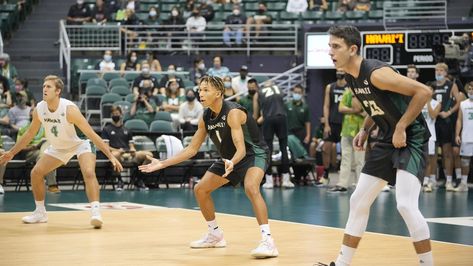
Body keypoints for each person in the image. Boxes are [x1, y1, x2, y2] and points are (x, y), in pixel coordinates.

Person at [327, 25, 433, 266]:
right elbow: (375, 105)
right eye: (329, 46)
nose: (330, 52)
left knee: (405, 204)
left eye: (336, 47)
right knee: (358, 200)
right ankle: (342, 264)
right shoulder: (351, 77)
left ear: (352, 49)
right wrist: (365, 129)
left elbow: (423, 92)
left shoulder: (376, 73)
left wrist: (401, 126)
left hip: (411, 137)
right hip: (387, 137)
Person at [139, 76, 279, 258]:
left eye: (205, 90)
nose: (200, 93)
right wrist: (162, 163)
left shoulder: (233, 112)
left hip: (254, 154)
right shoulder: (205, 117)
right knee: (200, 189)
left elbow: (242, 149)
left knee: (251, 187)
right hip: (229, 158)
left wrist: (232, 162)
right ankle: (215, 235)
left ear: (218, 93)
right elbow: (191, 149)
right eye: (200, 89)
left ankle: (268, 241)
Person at [0, 75, 123, 228]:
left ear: (57, 91)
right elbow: (30, 134)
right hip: (58, 147)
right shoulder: (39, 109)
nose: (44, 89)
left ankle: (95, 212)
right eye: (44, 86)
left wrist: (110, 155)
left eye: (48, 87)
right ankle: (40, 212)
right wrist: (11, 152)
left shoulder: (69, 110)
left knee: (89, 172)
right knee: (36, 173)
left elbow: (91, 133)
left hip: (80, 143)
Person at [102, 106, 152, 190]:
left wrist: (133, 150)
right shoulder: (106, 129)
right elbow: (106, 147)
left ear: (121, 115)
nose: (115, 115)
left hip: (128, 153)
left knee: (149, 155)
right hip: (117, 154)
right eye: (113, 114)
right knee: (115, 155)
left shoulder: (127, 130)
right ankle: (120, 180)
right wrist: (118, 150)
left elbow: (131, 145)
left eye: (117, 114)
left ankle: (138, 178)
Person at [255, 82, 295, 189]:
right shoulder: (279, 89)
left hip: (268, 119)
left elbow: (256, 114)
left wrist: (257, 121)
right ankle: (286, 180)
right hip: (282, 118)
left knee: (268, 150)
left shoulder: (258, 92)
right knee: (283, 148)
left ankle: (269, 181)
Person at [329, 82, 365, 193]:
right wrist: (355, 111)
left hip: (360, 131)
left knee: (359, 160)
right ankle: (342, 184)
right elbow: (341, 108)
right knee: (345, 158)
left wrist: (354, 99)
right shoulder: (346, 92)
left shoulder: (364, 95)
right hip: (346, 130)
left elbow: (363, 112)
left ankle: (360, 185)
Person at [431, 63, 461, 191]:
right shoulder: (431, 85)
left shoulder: (451, 85)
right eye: (437, 70)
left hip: (446, 122)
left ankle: (449, 180)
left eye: (441, 70)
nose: (438, 72)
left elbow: (459, 102)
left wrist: (448, 112)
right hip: (433, 121)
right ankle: (432, 180)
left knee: (447, 152)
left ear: (445, 72)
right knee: (432, 153)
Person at [321, 70, 346, 184]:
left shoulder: (350, 87)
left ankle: (343, 176)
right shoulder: (330, 87)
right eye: (338, 70)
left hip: (345, 124)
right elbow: (326, 106)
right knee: (325, 148)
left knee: (346, 152)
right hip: (332, 123)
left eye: (341, 70)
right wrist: (326, 124)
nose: (339, 72)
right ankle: (326, 174)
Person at [420, 84, 441, 192]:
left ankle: (427, 182)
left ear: (433, 91)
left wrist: (427, 101)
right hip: (419, 135)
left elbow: (433, 115)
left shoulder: (436, 103)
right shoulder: (418, 101)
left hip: (431, 135)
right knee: (419, 159)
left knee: (429, 159)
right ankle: (418, 181)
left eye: (430, 89)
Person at [454, 81, 473, 192]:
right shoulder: (463, 104)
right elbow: (459, 120)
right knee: (465, 161)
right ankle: (464, 184)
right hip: (466, 136)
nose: (471, 91)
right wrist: (457, 134)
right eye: (470, 89)